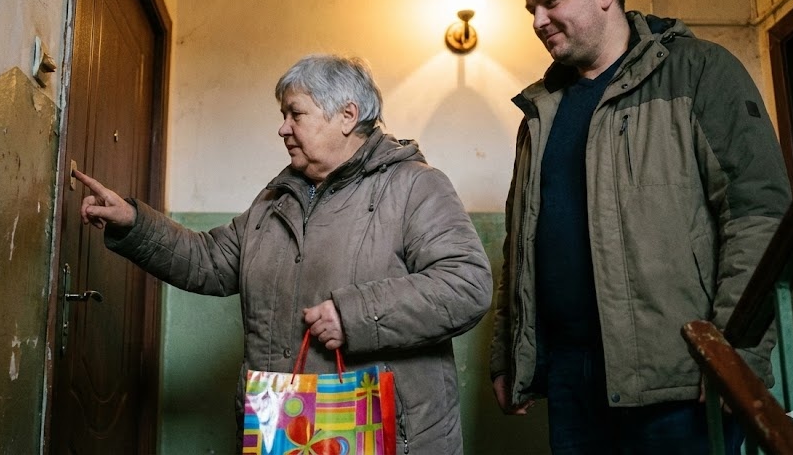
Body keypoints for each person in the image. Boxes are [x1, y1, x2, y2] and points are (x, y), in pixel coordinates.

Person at [74, 53, 493, 454]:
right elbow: (210, 261)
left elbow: (466, 284)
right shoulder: (276, 198)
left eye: (296, 114)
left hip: (388, 438)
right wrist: (133, 221)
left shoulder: (415, 186)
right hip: (285, 433)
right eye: (283, 115)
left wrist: (354, 315)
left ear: (347, 115)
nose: (283, 128)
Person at [488, 0, 791, 454]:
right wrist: (506, 354)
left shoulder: (701, 70)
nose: (538, 21)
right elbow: (520, 243)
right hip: (571, 382)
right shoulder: (541, 111)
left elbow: (757, 214)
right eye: (531, 9)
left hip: (681, 380)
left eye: (551, 2)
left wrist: (735, 351)